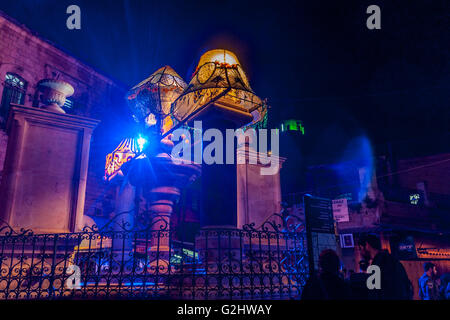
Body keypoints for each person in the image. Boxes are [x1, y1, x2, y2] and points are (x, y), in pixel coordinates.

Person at [358, 234, 412, 300]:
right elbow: (408, 287)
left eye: (360, 248)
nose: (360, 252)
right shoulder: (393, 260)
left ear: (367, 245)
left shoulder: (376, 266)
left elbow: (374, 293)